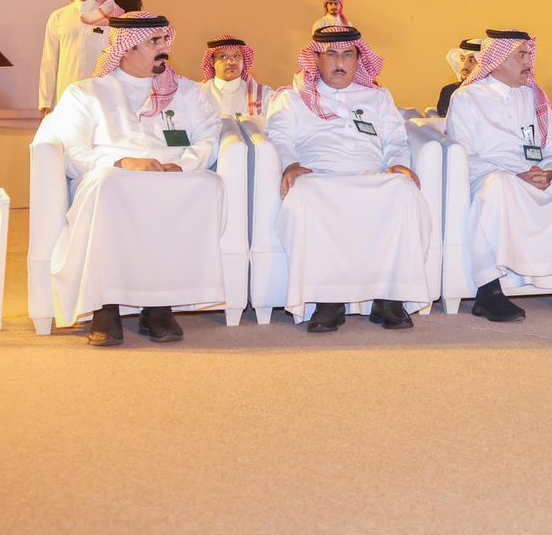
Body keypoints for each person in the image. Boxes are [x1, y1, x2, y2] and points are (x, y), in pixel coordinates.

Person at [36, 12, 226, 346]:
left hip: (170, 175)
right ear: (125, 48)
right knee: (108, 185)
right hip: (112, 175)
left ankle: (159, 305)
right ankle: (105, 306)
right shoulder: (86, 93)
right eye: (154, 41)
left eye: (165, 40)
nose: (165, 48)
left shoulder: (187, 92)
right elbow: (73, 150)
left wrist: (183, 165)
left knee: (207, 185)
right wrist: (122, 162)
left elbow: (209, 136)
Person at [265, 25, 434, 333]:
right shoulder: (292, 97)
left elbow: (395, 139)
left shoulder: (377, 97)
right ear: (316, 59)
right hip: (320, 178)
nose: (340, 62)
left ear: (359, 60)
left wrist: (398, 163)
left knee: (404, 191)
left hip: (370, 178)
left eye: (347, 54)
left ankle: (389, 298)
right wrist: (290, 165)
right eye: (331, 54)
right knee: (306, 194)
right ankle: (327, 300)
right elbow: (279, 137)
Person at [448, 29, 552, 320]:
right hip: (492, 177)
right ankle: (488, 291)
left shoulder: (534, 96)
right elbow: (464, 156)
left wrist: (550, 171)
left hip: (536, 176)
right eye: (521, 55)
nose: (529, 61)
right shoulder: (467, 98)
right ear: (497, 60)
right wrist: (515, 175)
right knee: (499, 185)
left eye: (529, 54)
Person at [38, 0, 122, 113]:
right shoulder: (58, 17)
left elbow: (120, 59)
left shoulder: (112, 16)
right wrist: (45, 101)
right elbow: (49, 61)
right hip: (67, 96)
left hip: (101, 97)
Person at [200, 36, 272, 121]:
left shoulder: (263, 95)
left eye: (237, 56)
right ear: (212, 62)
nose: (231, 62)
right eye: (223, 56)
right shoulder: (198, 93)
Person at [436, 38, 481, 117]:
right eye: (462, 59)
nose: (464, 65)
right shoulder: (450, 91)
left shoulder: (493, 92)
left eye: (472, 60)